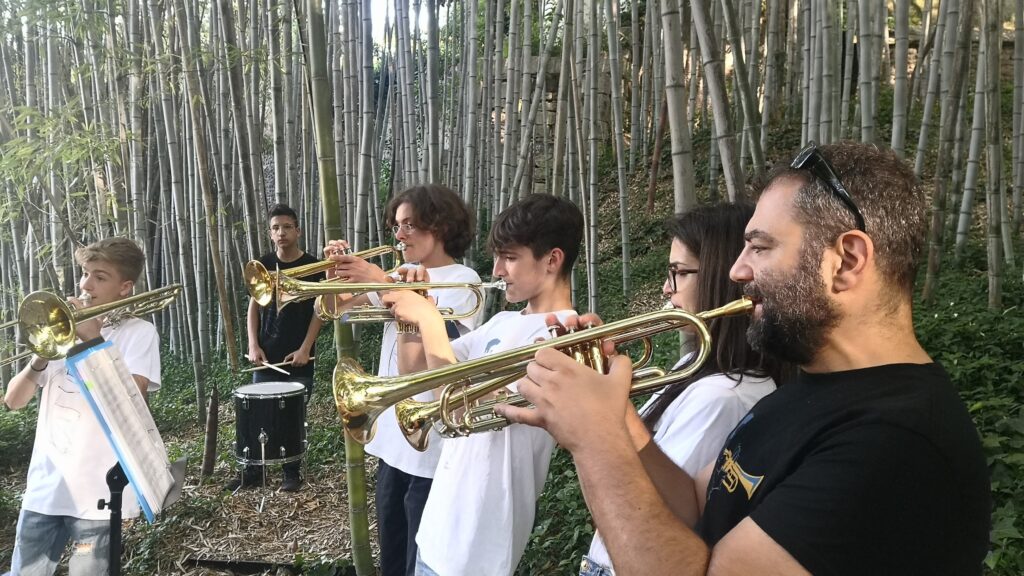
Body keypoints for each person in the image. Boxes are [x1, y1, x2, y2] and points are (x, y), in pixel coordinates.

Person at [499, 141, 991, 575]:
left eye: (760, 247)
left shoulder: (896, 444)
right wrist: (618, 417)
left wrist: (595, 441)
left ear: (846, 261)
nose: (736, 270)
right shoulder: (807, 390)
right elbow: (695, 504)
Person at [382, 193, 584, 576]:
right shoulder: (502, 324)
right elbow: (415, 379)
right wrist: (412, 316)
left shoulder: (563, 340)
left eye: (509, 257)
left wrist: (428, 320)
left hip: (478, 546)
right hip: (437, 528)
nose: (497, 271)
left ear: (552, 260)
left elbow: (458, 409)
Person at [579, 204, 785, 576]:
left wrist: (594, 419)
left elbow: (649, 511)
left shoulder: (725, 396)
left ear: (723, 280)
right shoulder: (696, 370)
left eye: (679, 273)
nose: (666, 287)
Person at [323, 184, 483, 576]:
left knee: (417, 557)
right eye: (397, 226)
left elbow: (443, 341)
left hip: (429, 447)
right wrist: (332, 278)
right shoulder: (396, 274)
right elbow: (329, 309)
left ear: (440, 225)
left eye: (410, 225)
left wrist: (379, 278)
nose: (399, 235)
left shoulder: (464, 280)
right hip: (392, 441)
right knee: (392, 554)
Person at [5, 237, 162, 576]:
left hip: (99, 496)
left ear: (125, 287)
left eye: (99, 276)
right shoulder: (60, 333)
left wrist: (93, 340)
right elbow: (13, 402)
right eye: (85, 273)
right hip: (45, 488)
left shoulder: (139, 333)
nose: (86, 285)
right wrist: (40, 356)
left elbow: (132, 404)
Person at [233, 203, 324, 492]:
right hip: (267, 353)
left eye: (286, 227)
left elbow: (320, 311)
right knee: (256, 415)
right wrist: (253, 344)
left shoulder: (314, 266)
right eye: (275, 228)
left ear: (297, 230)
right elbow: (253, 307)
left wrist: (305, 348)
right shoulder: (263, 264)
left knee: (293, 415)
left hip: (299, 355)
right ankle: (253, 471)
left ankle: (291, 472)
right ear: (270, 234)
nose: (281, 232)